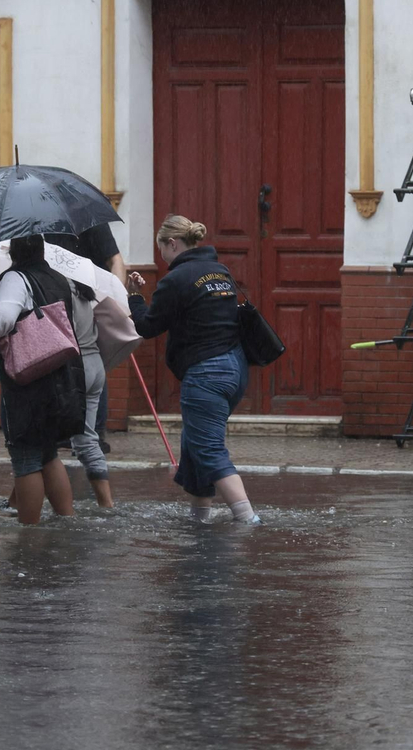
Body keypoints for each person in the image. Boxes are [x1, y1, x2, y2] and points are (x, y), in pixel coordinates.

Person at [125, 215, 260, 524]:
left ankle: (249, 520)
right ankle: (199, 519)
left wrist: (134, 297)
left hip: (206, 374)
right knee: (195, 448)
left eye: (161, 248)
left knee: (209, 449)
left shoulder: (177, 278)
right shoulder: (220, 271)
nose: (160, 255)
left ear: (172, 243)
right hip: (234, 369)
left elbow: (147, 326)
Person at [0, 235, 86, 524]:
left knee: (25, 455)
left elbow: (3, 317)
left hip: (28, 380)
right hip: (59, 377)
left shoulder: (16, 278)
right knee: (47, 452)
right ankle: (65, 520)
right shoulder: (58, 278)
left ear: (13, 250)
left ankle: (29, 531)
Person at [46, 222, 126, 455]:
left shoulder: (90, 223)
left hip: (88, 301)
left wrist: (116, 302)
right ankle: (67, 431)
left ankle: (95, 432)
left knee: (90, 361)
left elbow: (115, 260)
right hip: (54, 302)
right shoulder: (44, 223)